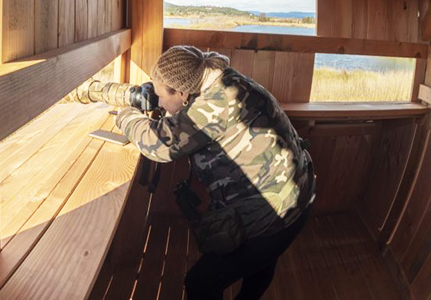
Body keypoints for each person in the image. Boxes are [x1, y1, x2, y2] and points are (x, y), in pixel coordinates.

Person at [115, 45, 316, 300]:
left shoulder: (211, 108)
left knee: (200, 283)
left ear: (183, 92)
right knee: (261, 264)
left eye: (161, 96)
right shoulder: (224, 79)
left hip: (275, 215)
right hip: (298, 195)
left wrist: (126, 117)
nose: (159, 103)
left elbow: (158, 146)